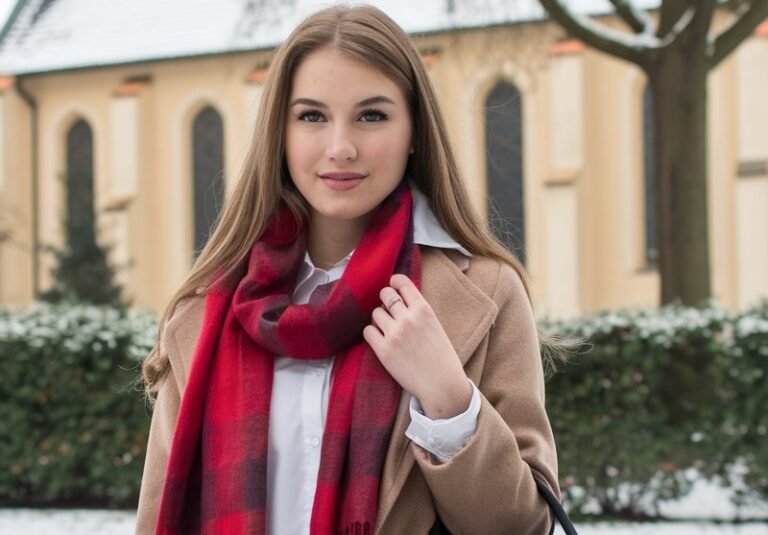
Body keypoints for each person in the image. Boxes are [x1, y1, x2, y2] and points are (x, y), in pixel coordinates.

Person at [137, 4, 560, 535]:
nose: (341, 148)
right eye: (312, 116)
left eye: (372, 115)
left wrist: (448, 397)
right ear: (280, 135)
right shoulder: (208, 310)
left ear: (414, 132)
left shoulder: (485, 293)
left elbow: (522, 527)